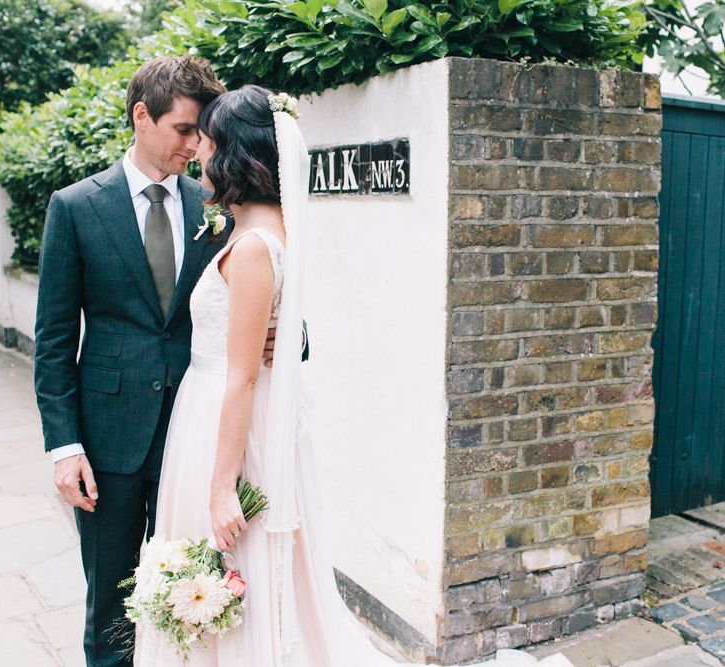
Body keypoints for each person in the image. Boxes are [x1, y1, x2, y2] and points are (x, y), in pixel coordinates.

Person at [138, 85, 573, 667]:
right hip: (233, 414)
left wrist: (220, 487)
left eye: (208, 143)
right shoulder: (266, 232)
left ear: (234, 156)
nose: (198, 154)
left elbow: (241, 377)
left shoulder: (251, 248)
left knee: (234, 564)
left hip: (229, 422)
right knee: (252, 576)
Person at [33, 57, 301, 667]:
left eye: (200, 132)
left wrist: (287, 338)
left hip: (199, 441)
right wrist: (64, 446)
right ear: (141, 117)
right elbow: (52, 340)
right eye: (183, 129)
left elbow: (269, 293)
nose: (194, 145)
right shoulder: (75, 207)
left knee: (199, 596)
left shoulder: (215, 203)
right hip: (109, 441)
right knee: (113, 603)